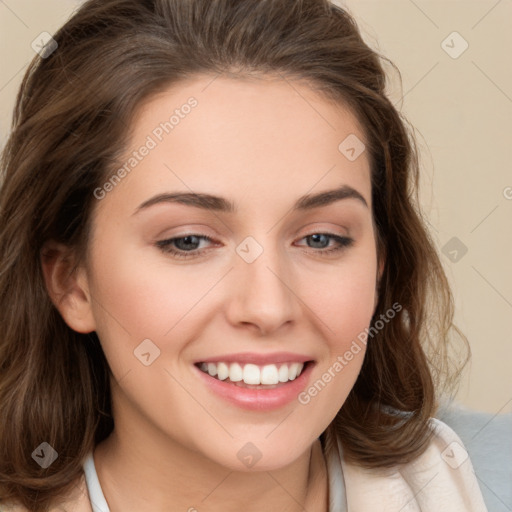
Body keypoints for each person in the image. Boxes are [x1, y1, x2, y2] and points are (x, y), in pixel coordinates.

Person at [0, 0, 488, 510]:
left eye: (321, 238)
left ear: (379, 267)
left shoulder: (469, 479)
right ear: (72, 283)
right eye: (188, 240)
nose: (268, 307)